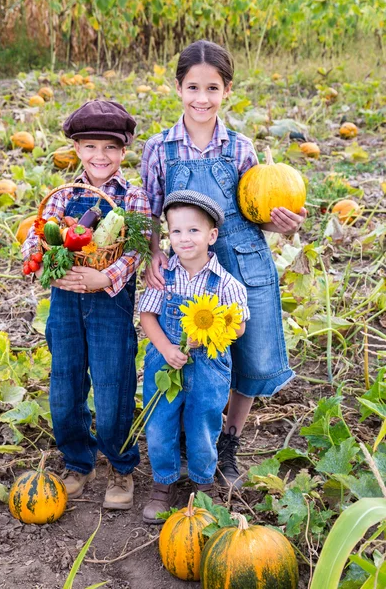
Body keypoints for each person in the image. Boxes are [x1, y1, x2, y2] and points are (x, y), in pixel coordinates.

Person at [141, 40, 307, 490]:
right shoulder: (160, 148)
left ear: (226, 90)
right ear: (178, 87)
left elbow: (257, 212)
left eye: (212, 88)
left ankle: (226, 438)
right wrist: (154, 250)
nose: (201, 98)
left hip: (240, 256)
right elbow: (148, 212)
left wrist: (284, 226)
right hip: (185, 259)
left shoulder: (240, 148)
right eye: (192, 87)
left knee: (247, 354)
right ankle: (184, 437)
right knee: (183, 347)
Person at [22, 100, 152, 509]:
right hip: (64, 304)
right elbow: (39, 234)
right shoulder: (65, 196)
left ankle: (120, 465)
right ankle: (78, 462)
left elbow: (136, 252)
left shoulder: (134, 197)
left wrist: (105, 276)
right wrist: (45, 263)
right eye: (91, 146)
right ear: (77, 149)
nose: (101, 156)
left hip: (109, 306)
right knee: (65, 385)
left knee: (114, 388)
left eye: (110, 148)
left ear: (124, 152)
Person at [139, 191, 249, 522]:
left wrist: (210, 335)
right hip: (166, 360)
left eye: (193, 231)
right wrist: (167, 348)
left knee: (203, 423)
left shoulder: (225, 283)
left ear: (212, 236)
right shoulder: (163, 277)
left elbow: (239, 325)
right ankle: (163, 483)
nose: (184, 239)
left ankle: (204, 483)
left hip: (209, 367)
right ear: (167, 235)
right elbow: (147, 317)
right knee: (160, 422)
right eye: (176, 231)